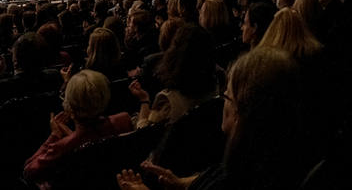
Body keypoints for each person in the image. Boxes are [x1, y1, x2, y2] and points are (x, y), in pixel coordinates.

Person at [117, 48, 309, 190]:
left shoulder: (247, 178)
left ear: (245, 113)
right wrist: (183, 183)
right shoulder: (279, 158)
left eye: (227, 96)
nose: (222, 99)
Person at [24, 69, 133, 188]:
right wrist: (72, 136)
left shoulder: (62, 147)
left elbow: (29, 172)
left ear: (70, 107)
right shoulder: (124, 120)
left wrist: (54, 136)